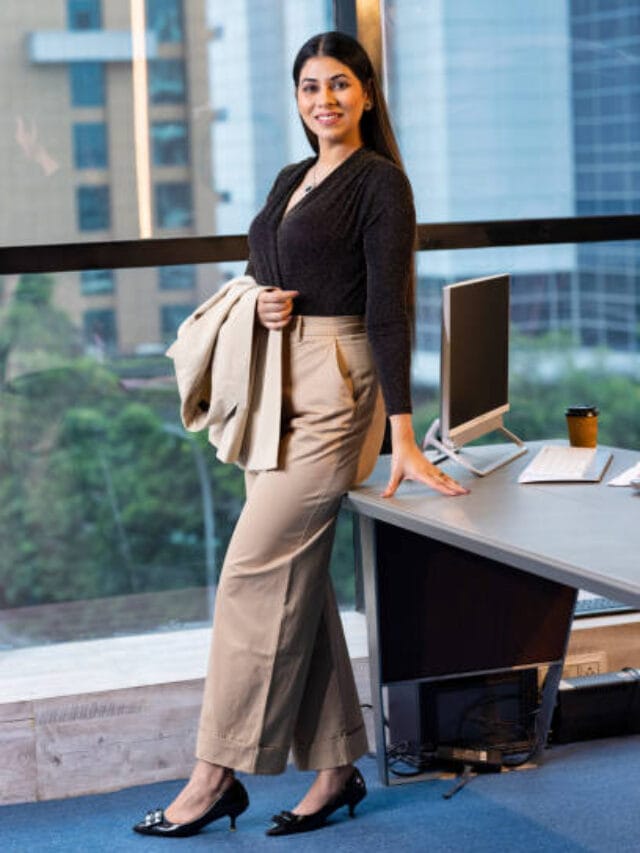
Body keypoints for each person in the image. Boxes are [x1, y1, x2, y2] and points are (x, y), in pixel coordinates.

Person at [133, 30, 468, 840]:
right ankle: (336, 765)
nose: (325, 100)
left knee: (253, 572)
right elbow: (266, 262)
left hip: (339, 388)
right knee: (298, 583)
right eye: (311, 87)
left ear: (368, 94)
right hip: (275, 382)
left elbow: (389, 309)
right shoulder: (293, 176)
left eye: (341, 85)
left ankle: (213, 775)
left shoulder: (381, 184)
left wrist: (404, 435)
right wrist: (265, 299)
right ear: (298, 99)